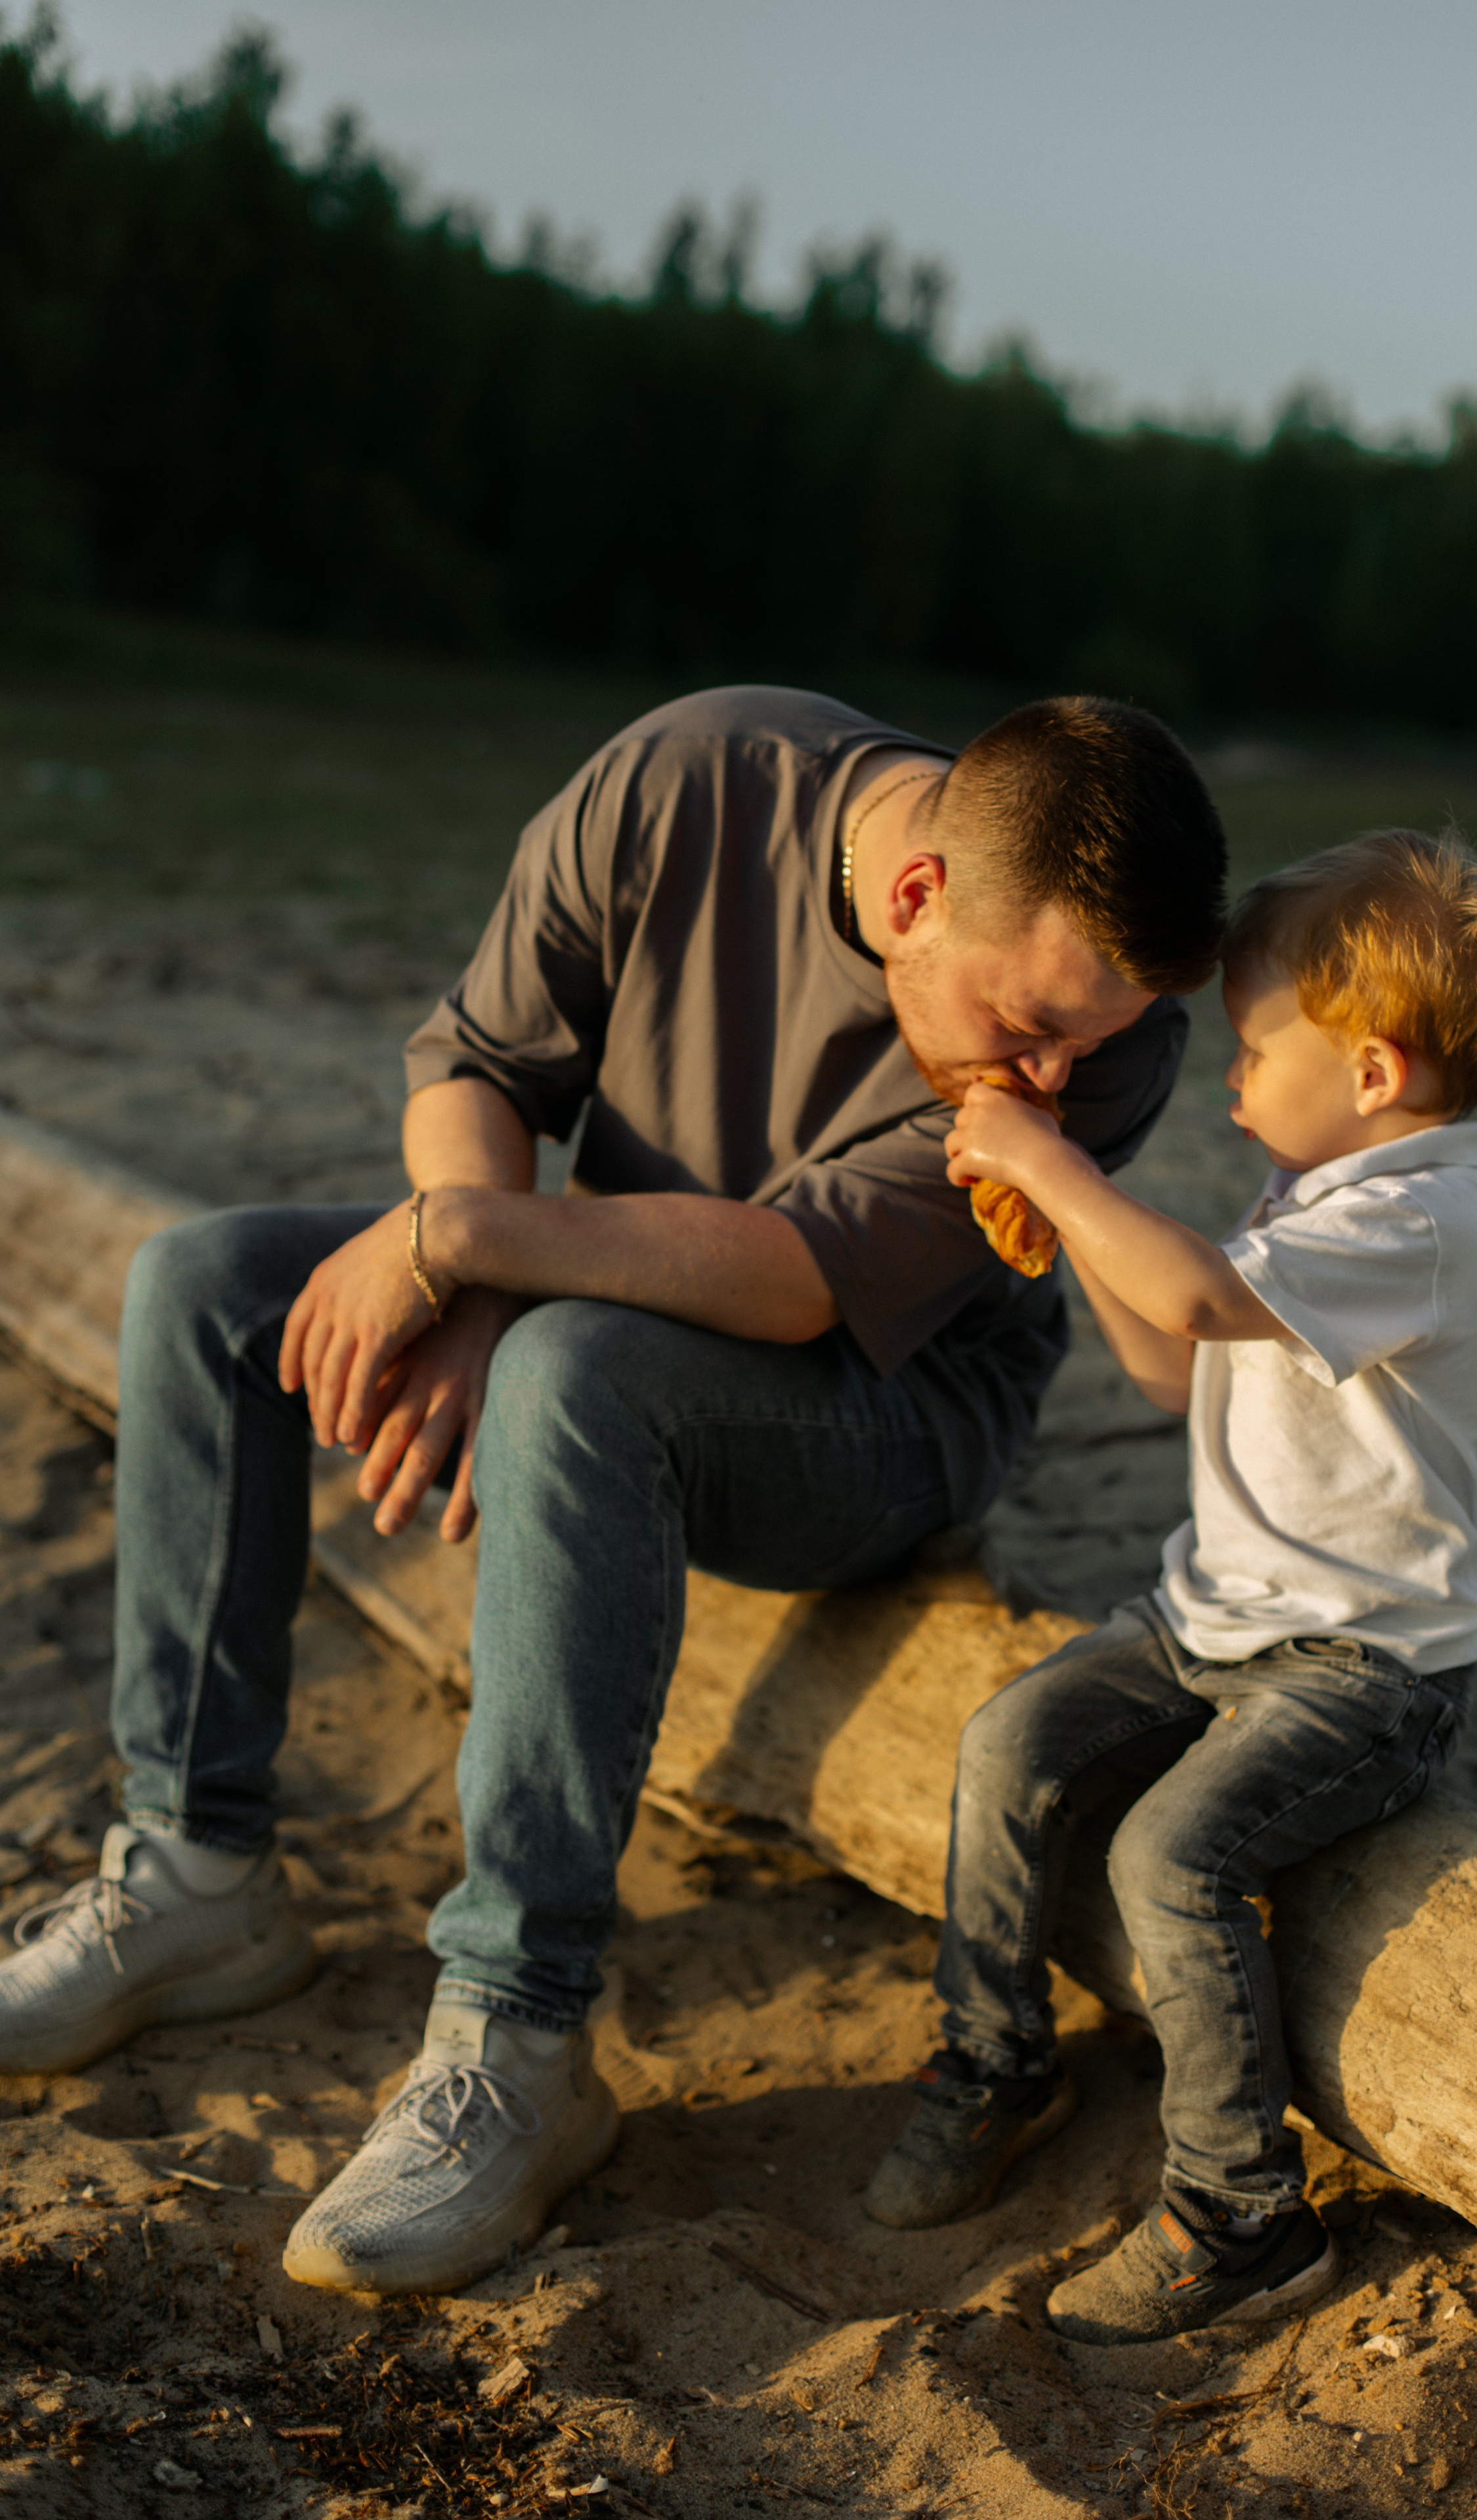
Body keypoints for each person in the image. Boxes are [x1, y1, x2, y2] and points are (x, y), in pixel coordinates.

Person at [0, 684, 1228, 2298]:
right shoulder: (685, 780)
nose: (1057, 1079)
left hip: (884, 1417)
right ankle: (194, 1870)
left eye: (1085, 1043)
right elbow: (477, 1067)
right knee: (202, 1288)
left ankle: (517, 2035)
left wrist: (468, 1251)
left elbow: (793, 1280)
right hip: (597, 1295)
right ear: (916, 894)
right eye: (1029, 1031)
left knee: (570, 1374)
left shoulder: (1108, 1034)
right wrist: (477, 1272)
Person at [865, 827, 1477, 2345]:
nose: (1228, 1077)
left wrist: (1049, 1160)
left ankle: (1239, 2214)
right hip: (1213, 1623)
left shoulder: (1415, 1220)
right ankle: (992, 2060)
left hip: (1363, 1669)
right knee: (1007, 1743)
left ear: (1370, 1072)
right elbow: (1175, 1364)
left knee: (1170, 1860)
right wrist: (1066, 1225)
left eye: (1250, 1046)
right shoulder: (1314, 1199)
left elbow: (1185, 1294)